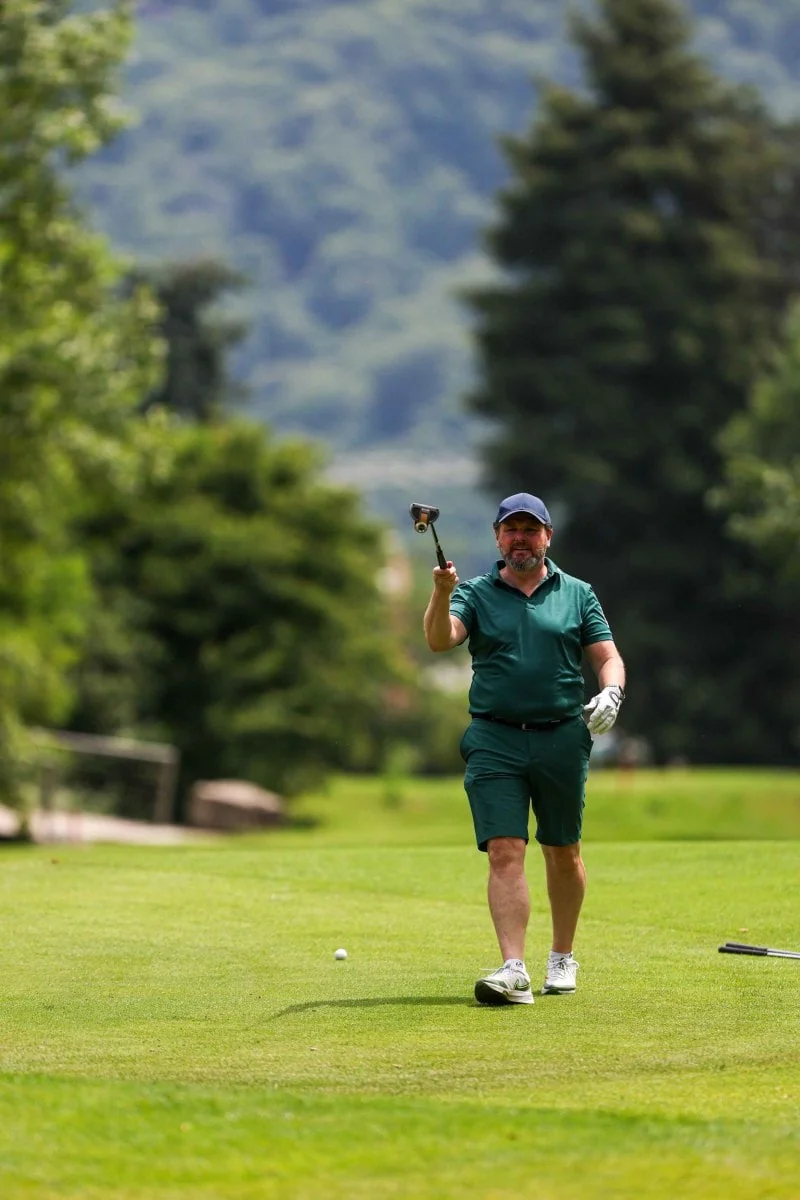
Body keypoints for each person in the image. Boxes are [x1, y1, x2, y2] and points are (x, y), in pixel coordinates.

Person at [423, 492, 625, 1006]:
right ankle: (514, 969)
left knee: (563, 850)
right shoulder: (474, 592)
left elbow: (607, 657)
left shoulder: (578, 593)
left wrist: (612, 691)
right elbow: (441, 640)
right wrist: (442, 594)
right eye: (510, 530)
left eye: (529, 530)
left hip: (561, 735)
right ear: (497, 538)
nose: (520, 539)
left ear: (547, 537)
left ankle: (562, 956)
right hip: (494, 737)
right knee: (505, 850)